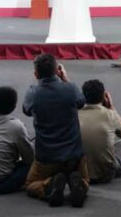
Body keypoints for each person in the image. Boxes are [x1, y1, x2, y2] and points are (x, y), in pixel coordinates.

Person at [22, 55, 89, 207]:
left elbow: (26, 110)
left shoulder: (34, 92)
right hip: (74, 156)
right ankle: (79, 186)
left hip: (47, 156)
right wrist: (65, 79)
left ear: (36, 75)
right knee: (85, 179)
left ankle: (49, 185)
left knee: (30, 183)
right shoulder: (70, 88)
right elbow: (81, 101)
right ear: (57, 71)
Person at [78, 80, 121, 184]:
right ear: (104, 97)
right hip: (105, 175)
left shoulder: (76, 114)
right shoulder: (110, 114)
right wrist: (111, 107)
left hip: (81, 171)